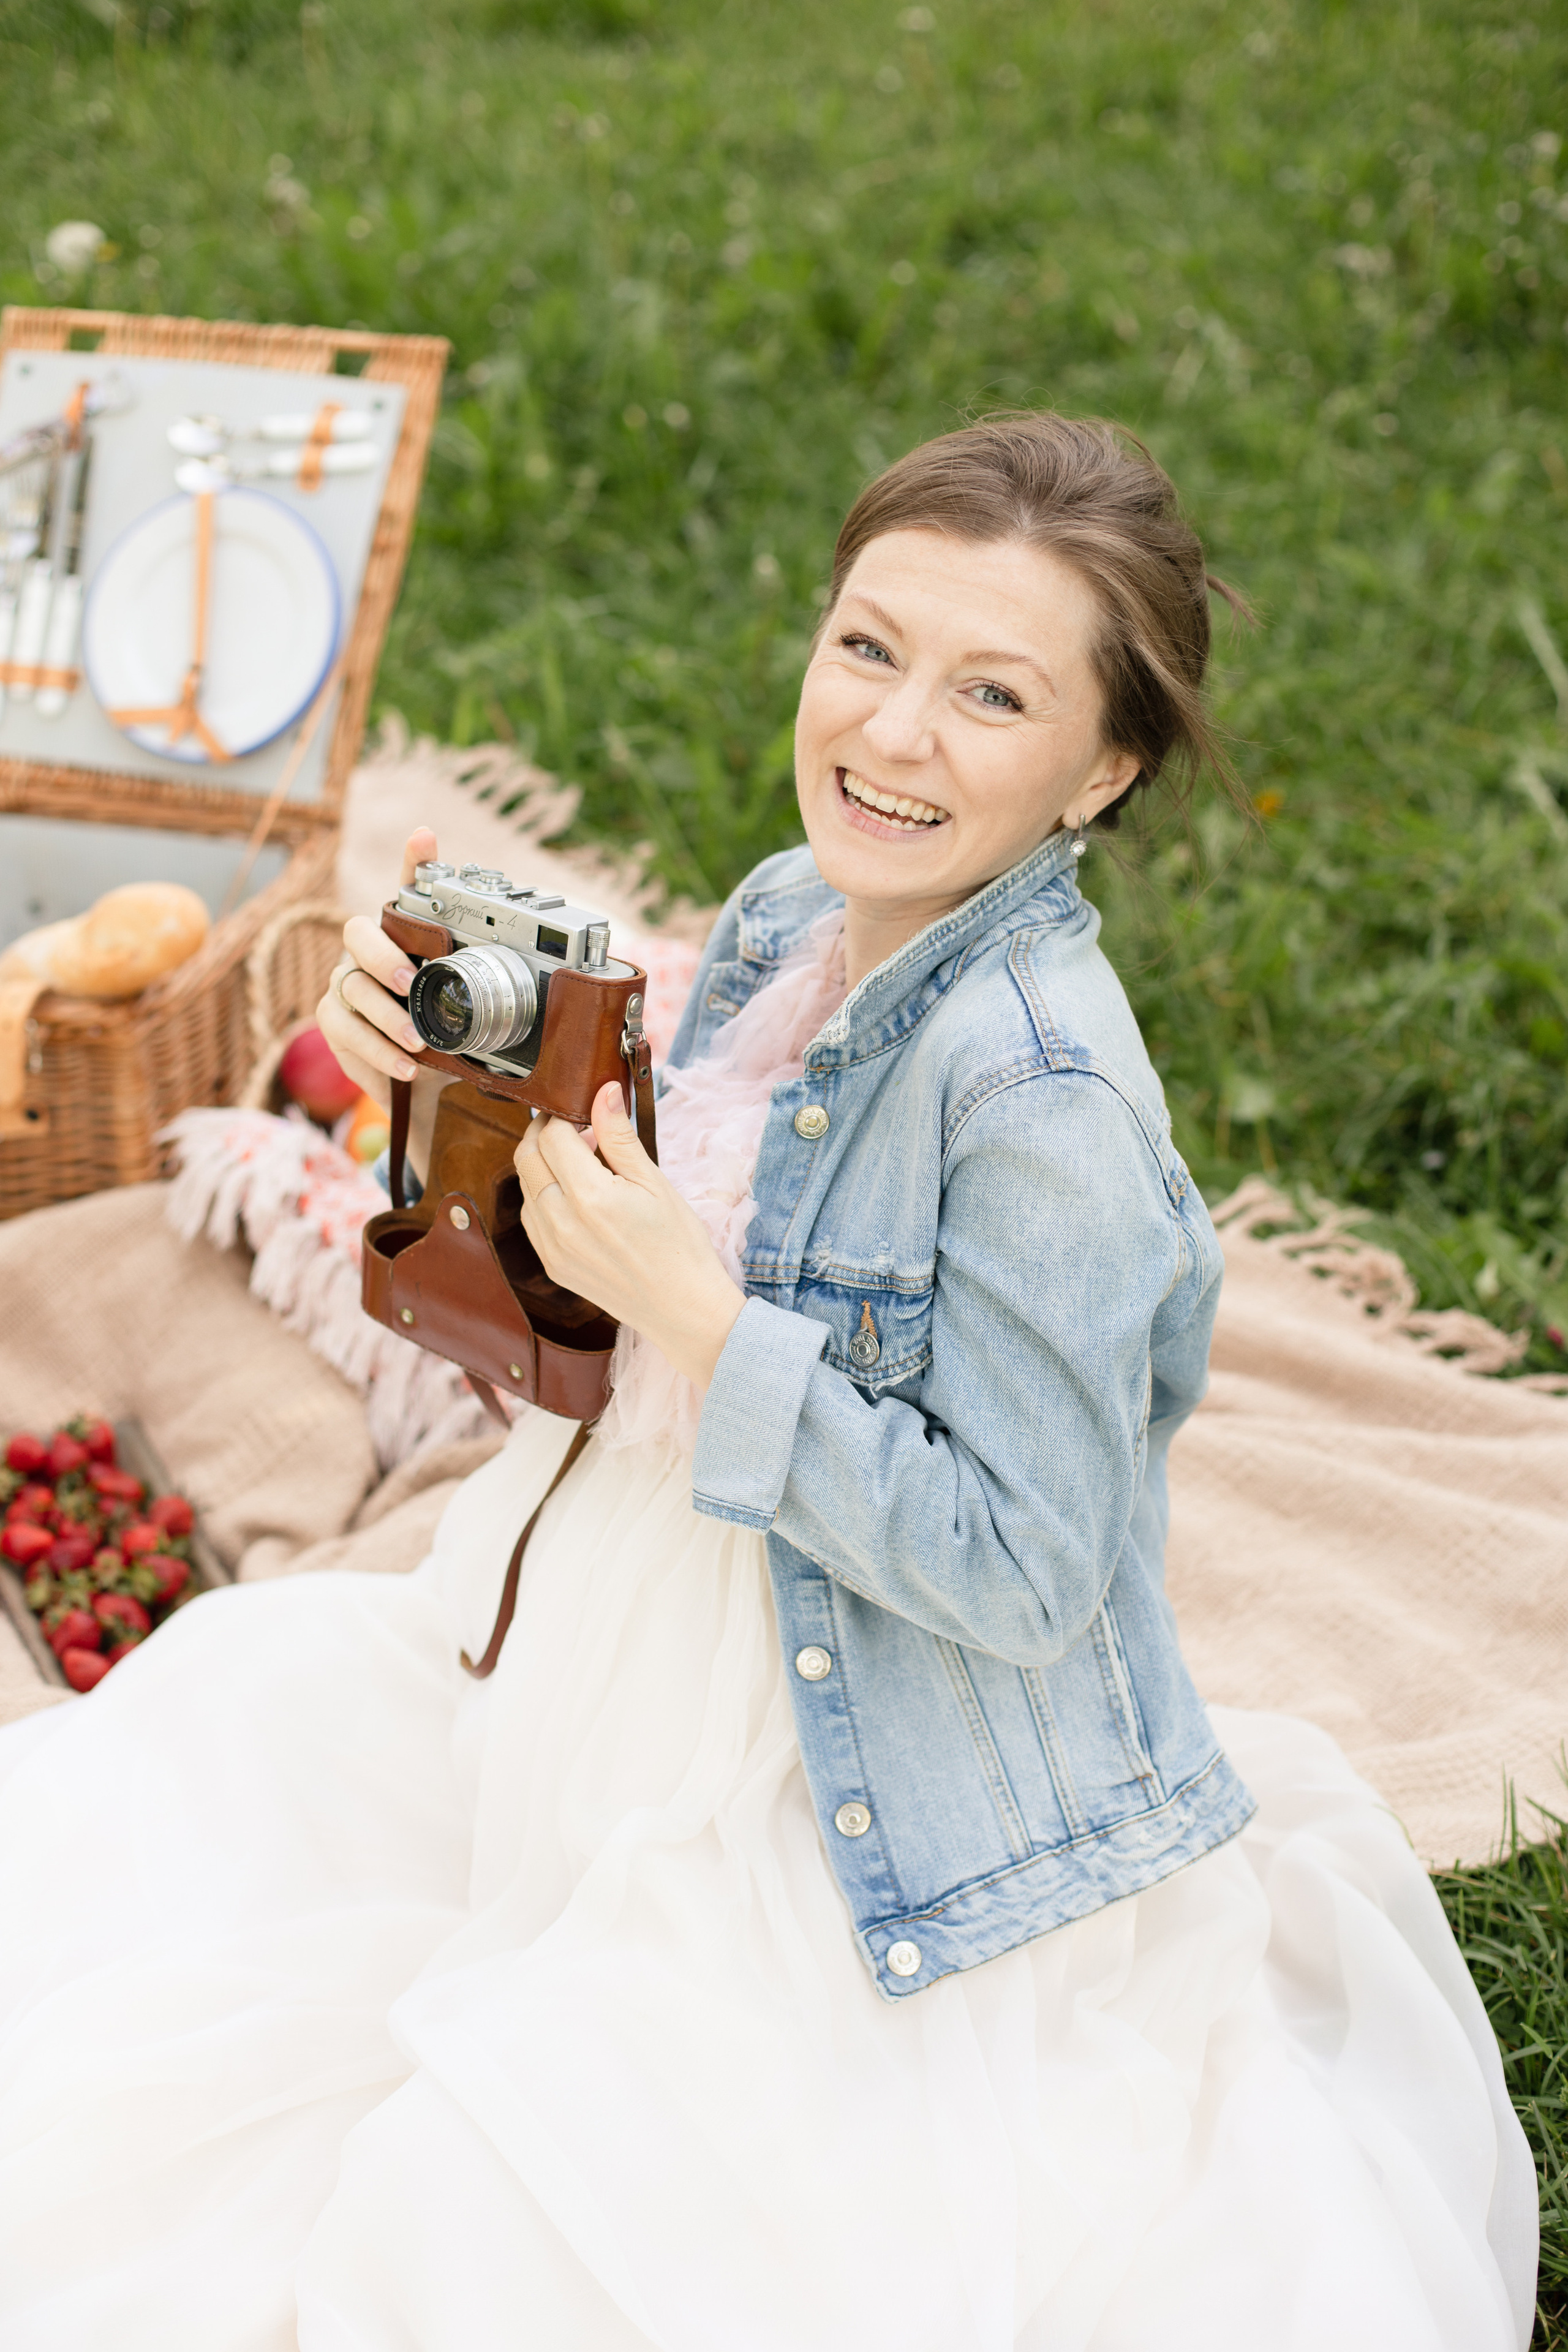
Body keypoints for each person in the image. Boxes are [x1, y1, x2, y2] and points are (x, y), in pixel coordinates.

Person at [0, 415, 1537, 2352]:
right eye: (868, 648)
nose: (893, 733)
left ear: (1104, 770)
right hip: (577, 1660)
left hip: (825, 1776)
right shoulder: (791, 917)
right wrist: (442, 1095)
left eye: (993, 694)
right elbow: (599, 1306)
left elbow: (1027, 1569)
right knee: (184, 1791)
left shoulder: (1043, 1106)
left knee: (487, 2213)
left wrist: (711, 1325)